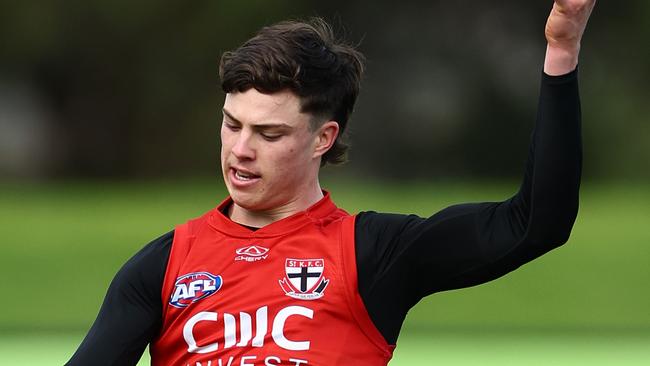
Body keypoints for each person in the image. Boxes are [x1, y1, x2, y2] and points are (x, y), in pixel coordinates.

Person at [67, 0, 596, 365]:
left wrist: (561, 51)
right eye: (232, 124)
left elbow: (536, 223)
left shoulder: (374, 253)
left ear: (324, 138)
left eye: (269, 133)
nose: (241, 149)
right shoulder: (164, 264)